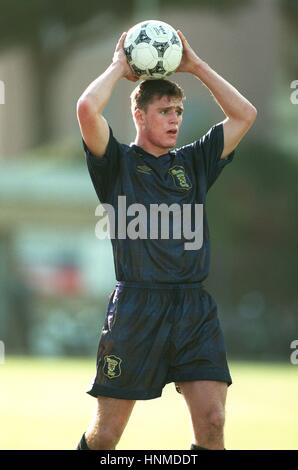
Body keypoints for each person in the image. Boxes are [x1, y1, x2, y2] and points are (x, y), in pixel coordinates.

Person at [76, 29, 257, 451]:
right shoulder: (116, 162)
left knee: (213, 423)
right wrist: (120, 66)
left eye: (178, 110)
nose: (175, 119)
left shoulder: (194, 162)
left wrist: (196, 67)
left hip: (193, 307)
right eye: (164, 111)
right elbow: (86, 107)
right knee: (105, 436)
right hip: (137, 307)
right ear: (139, 115)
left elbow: (245, 114)